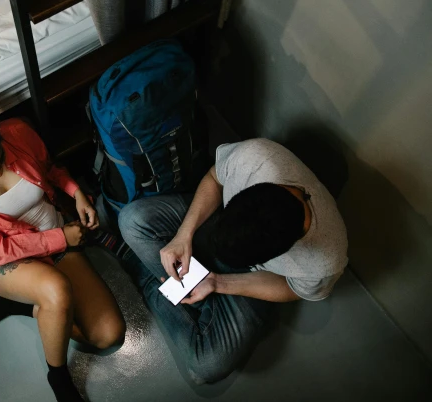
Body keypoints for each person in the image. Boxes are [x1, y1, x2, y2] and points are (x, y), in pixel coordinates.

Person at [0, 105, 126, 402]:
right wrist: (59, 238)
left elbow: (50, 169)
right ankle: (59, 377)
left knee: (108, 334)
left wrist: (76, 192)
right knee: (55, 289)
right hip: (5, 260)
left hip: (57, 240)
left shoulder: (15, 132)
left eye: (0, 159)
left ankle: (24, 305)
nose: (1, 171)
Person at [118, 138, 348, 384]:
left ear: (275, 256)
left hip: (248, 279)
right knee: (131, 219)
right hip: (214, 225)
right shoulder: (255, 158)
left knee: (206, 366)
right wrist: (184, 234)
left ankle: (151, 281)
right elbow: (214, 178)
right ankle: (179, 293)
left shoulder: (325, 261)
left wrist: (218, 283)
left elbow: (292, 288)